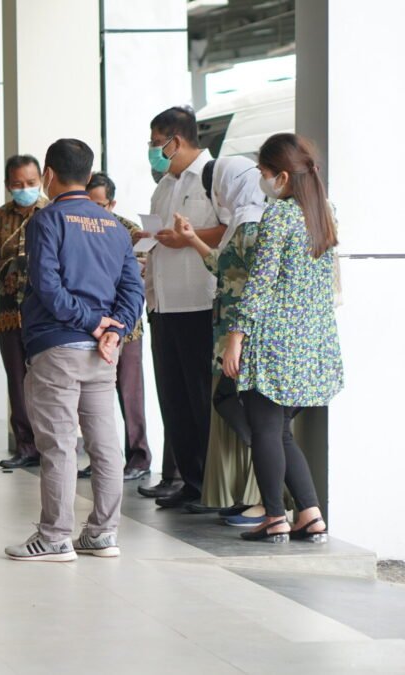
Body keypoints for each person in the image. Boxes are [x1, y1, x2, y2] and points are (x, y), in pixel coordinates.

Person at [4, 139, 144, 562]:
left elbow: (47, 286)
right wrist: (114, 329)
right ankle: (103, 533)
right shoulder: (114, 225)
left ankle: (54, 536)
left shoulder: (47, 220)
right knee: (105, 444)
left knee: (60, 444)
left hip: (57, 347)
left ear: (48, 174)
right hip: (102, 354)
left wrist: (90, 322)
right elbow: (132, 288)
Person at [222, 133, 341, 544]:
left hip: (274, 340)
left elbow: (260, 283)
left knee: (265, 431)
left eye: (264, 171)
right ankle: (310, 513)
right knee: (281, 430)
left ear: (283, 176)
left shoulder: (279, 217)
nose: (261, 177)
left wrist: (235, 336)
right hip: (310, 342)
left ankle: (275, 516)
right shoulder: (325, 214)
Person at [142, 106, 227, 509]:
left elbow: (231, 230)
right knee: (173, 399)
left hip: (199, 304)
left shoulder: (213, 178)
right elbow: (163, 234)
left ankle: (211, 488)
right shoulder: (165, 184)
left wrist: (187, 237)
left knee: (199, 399)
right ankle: (191, 484)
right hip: (163, 306)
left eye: (157, 143)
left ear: (176, 141)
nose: (153, 151)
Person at [174, 157, 267, 520]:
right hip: (227, 331)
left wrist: (237, 338)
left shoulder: (253, 224)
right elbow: (221, 267)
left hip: (241, 334)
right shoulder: (241, 222)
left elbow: (254, 286)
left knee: (242, 408)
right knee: (234, 406)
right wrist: (193, 239)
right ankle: (247, 495)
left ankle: (264, 497)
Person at [84, 172, 153, 482]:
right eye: (90, 203)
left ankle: (138, 457)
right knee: (93, 398)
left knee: (130, 394)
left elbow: (139, 275)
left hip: (126, 326)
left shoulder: (130, 232)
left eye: (101, 204)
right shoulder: (79, 226)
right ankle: (99, 458)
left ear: (111, 203)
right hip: (92, 326)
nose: (96, 210)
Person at [0, 155, 47, 470]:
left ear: (41, 180)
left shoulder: (52, 212)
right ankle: (25, 446)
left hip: (46, 311)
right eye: (17, 184)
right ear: (8, 185)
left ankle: (52, 443)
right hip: (10, 310)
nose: (24, 189)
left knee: (48, 378)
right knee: (17, 379)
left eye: (30, 183)